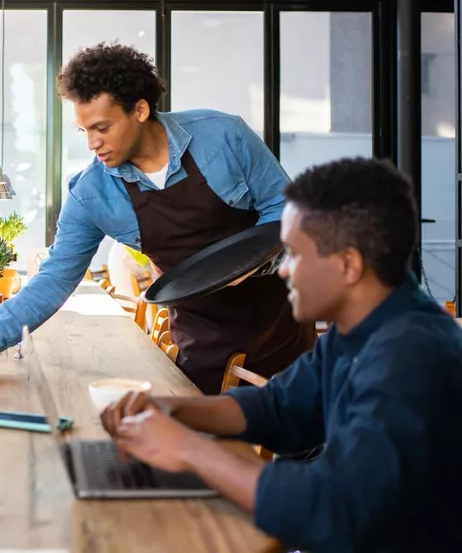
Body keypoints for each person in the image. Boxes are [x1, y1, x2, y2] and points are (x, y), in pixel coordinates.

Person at [99, 158, 462, 552]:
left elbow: (331, 510)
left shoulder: (411, 358)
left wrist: (187, 449)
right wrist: (174, 411)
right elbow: (280, 406)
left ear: (348, 265)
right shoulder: (357, 333)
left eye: (294, 254)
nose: (284, 271)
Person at [0, 42, 314, 394]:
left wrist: (250, 263)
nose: (92, 143)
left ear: (140, 109)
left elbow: (285, 209)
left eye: (102, 127)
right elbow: (53, 280)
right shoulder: (92, 194)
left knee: (309, 452)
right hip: (205, 340)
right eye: (84, 130)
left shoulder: (224, 137)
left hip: (286, 321)